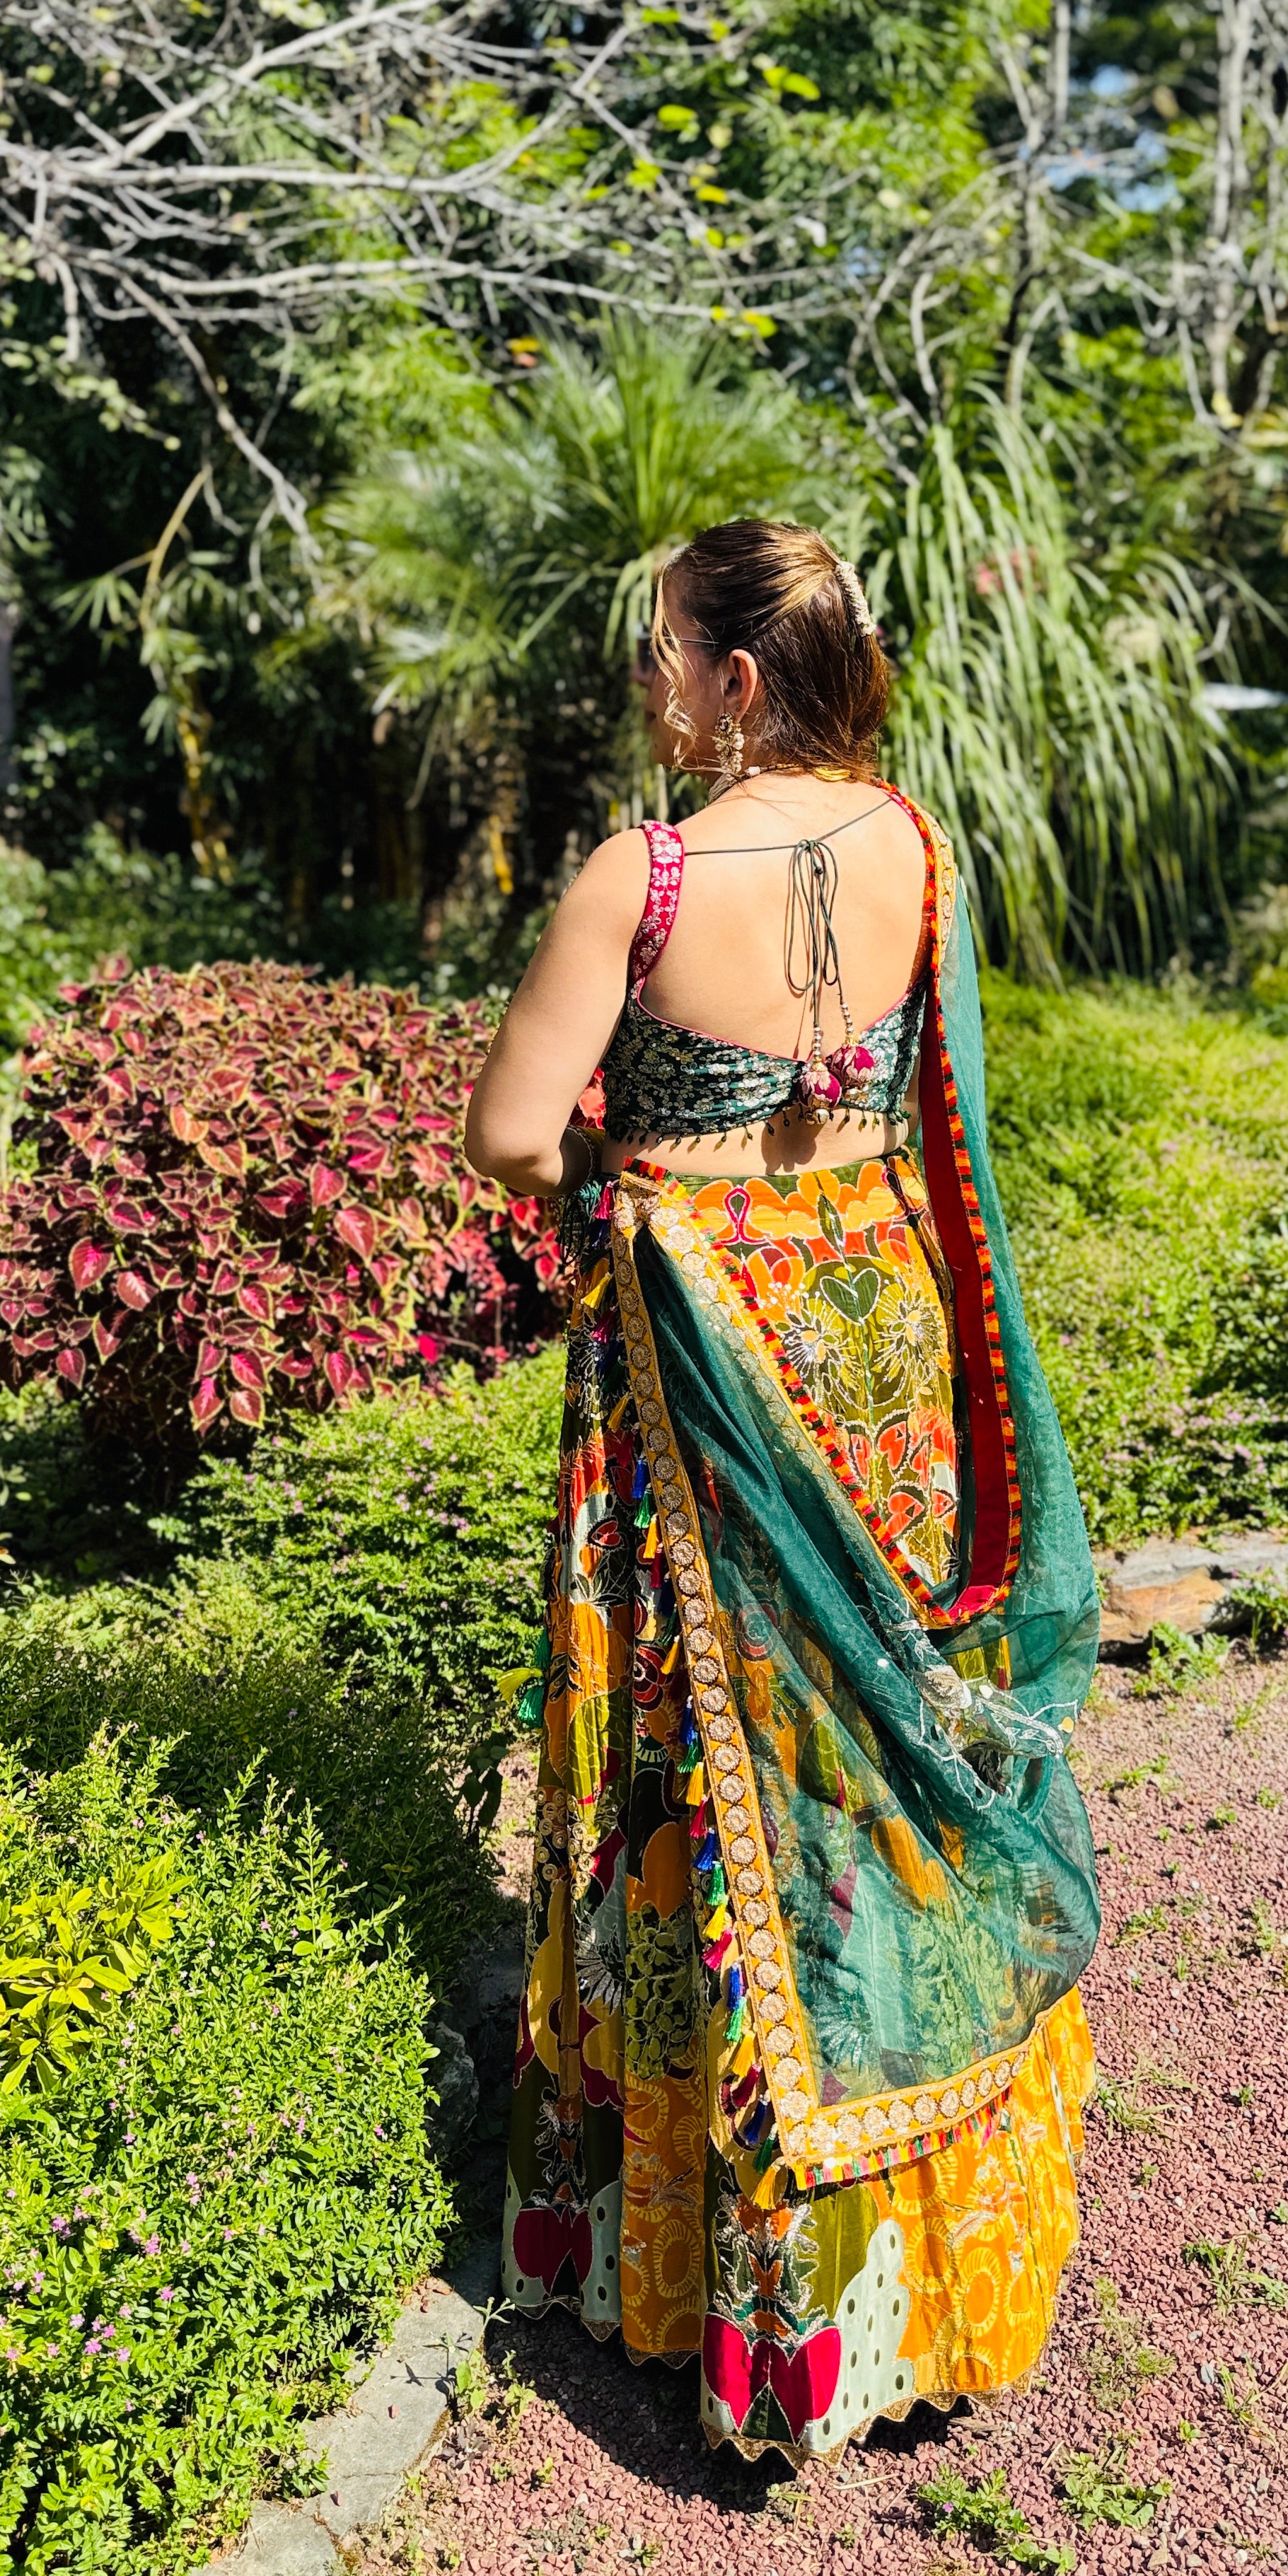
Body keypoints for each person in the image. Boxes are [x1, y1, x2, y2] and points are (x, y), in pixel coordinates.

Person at [465, 518, 1101, 2466]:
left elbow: (505, 1133)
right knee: (877, 1775)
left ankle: (732, 2302)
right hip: (882, 1360)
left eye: (666, 652)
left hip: (706, 1383)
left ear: (741, 675)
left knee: (706, 1786)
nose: (652, 686)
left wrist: (637, 1179)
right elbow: (907, 1101)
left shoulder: (638, 876)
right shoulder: (910, 841)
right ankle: (934, 2265)